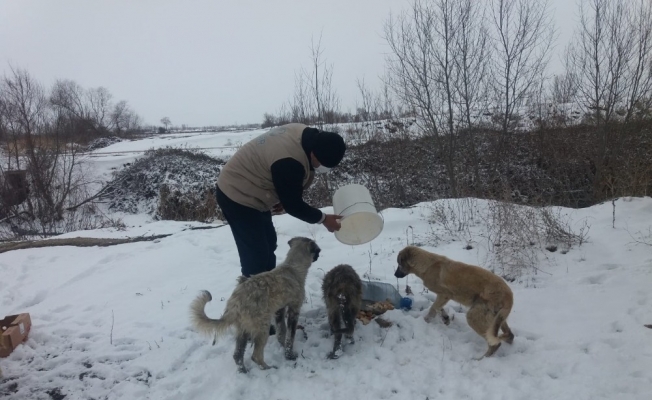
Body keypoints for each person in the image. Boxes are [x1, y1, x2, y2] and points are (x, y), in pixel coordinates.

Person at [215, 123, 346, 278]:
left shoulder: (307, 136)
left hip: (255, 188)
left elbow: (287, 184)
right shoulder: (290, 161)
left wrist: (285, 195)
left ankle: (268, 285)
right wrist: (323, 219)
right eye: (323, 165)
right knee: (256, 254)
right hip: (237, 193)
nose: (322, 169)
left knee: (269, 243)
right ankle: (252, 295)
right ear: (313, 155)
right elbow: (294, 206)